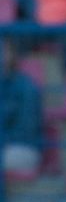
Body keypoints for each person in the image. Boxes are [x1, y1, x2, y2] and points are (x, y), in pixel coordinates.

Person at [1, 39, 45, 177]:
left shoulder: (26, 87)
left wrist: (4, 140)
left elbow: (27, 130)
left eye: (4, 50)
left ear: (12, 54)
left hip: (23, 148)